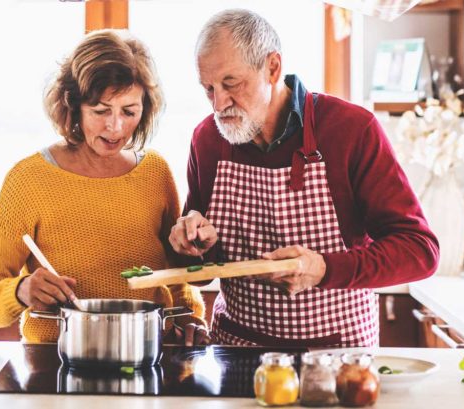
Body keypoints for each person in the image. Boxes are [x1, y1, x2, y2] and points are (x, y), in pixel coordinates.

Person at [168, 9, 439, 348]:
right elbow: (196, 262)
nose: (218, 103)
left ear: (272, 67)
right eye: (208, 88)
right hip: (237, 349)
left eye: (231, 83)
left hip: (337, 353)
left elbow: (420, 251)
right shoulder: (208, 139)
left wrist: (323, 268)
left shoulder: (352, 129)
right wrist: (193, 244)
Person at [0, 29, 209, 345]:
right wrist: (20, 290)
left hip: (147, 352)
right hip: (56, 361)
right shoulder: (28, 180)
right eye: (100, 111)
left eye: (129, 111)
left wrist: (190, 317)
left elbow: (175, 275)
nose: (115, 127)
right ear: (73, 106)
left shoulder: (155, 172)